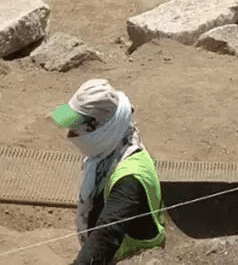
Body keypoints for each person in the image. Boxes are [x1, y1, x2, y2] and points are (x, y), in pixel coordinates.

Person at [52, 79, 167, 265]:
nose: (72, 137)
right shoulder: (108, 153)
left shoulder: (130, 178)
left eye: (77, 131)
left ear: (101, 129)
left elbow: (106, 235)